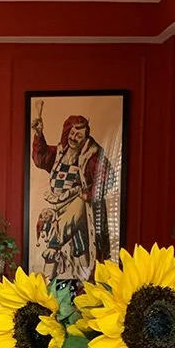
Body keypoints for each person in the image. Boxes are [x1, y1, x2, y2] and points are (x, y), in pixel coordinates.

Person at [30, 111, 118, 284]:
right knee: (71, 254)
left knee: (75, 250)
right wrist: (39, 134)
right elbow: (41, 159)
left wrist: (88, 194)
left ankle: (53, 279)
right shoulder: (59, 154)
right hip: (57, 207)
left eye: (79, 135)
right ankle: (48, 286)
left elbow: (108, 179)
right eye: (72, 133)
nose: (74, 138)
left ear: (85, 138)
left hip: (81, 212)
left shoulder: (92, 156)